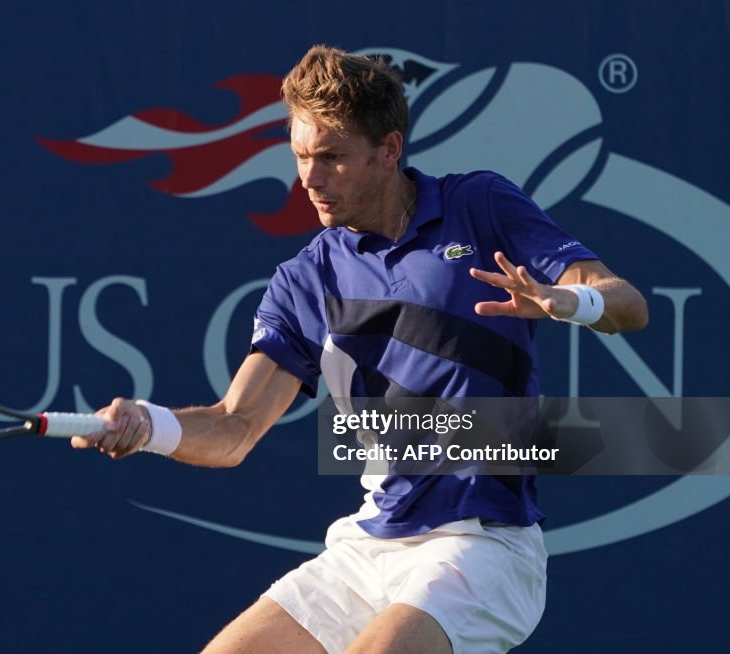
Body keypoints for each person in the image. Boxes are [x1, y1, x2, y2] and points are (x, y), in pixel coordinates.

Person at [72, 44, 648, 654]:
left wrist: (568, 302)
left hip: (481, 545)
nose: (309, 179)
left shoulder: (477, 206)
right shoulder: (303, 279)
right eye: (300, 157)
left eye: (331, 158)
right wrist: (149, 424)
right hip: (367, 547)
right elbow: (233, 427)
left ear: (389, 150)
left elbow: (627, 303)